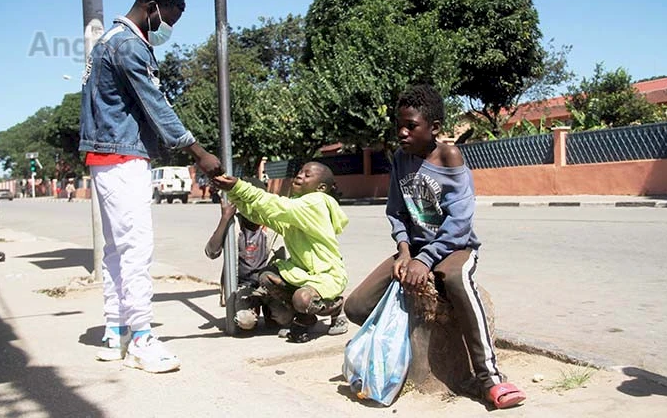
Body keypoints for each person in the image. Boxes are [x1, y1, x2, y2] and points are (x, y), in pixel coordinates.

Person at [343, 84, 526, 409]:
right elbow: (396, 211)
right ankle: (397, 353)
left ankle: (490, 379)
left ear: (434, 128)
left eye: (411, 126)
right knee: (356, 306)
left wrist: (425, 260)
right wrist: (403, 252)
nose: (402, 132)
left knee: (457, 282)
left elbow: (460, 221)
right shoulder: (400, 159)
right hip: (412, 248)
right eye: (399, 125)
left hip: (453, 247)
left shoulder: (449, 156)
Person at [79, 0, 222, 373]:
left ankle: (116, 332)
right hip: (123, 157)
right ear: (152, 6)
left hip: (104, 156)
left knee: (115, 251)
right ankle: (142, 338)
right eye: (167, 19)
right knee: (136, 248)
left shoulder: (107, 41)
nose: (166, 28)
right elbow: (154, 102)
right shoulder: (128, 45)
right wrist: (197, 151)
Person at [212, 162, 349, 343]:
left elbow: (275, 204)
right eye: (300, 172)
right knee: (267, 277)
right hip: (304, 274)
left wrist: (239, 186)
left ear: (321, 187)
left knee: (302, 300)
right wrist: (235, 195)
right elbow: (263, 215)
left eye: (307, 175)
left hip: (326, 276)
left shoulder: (316, 202)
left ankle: (336, 307)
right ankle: (306, 317)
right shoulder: (297, 209)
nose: (300, 176)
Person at [205, 177, 283, 331]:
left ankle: (269, 310)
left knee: (282, 319)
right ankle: (251, 308)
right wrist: (225, 218)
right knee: (245, 322)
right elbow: (211, 252)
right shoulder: (234, 224)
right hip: (243, 286)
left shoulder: (272, 225)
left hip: (268, 286)